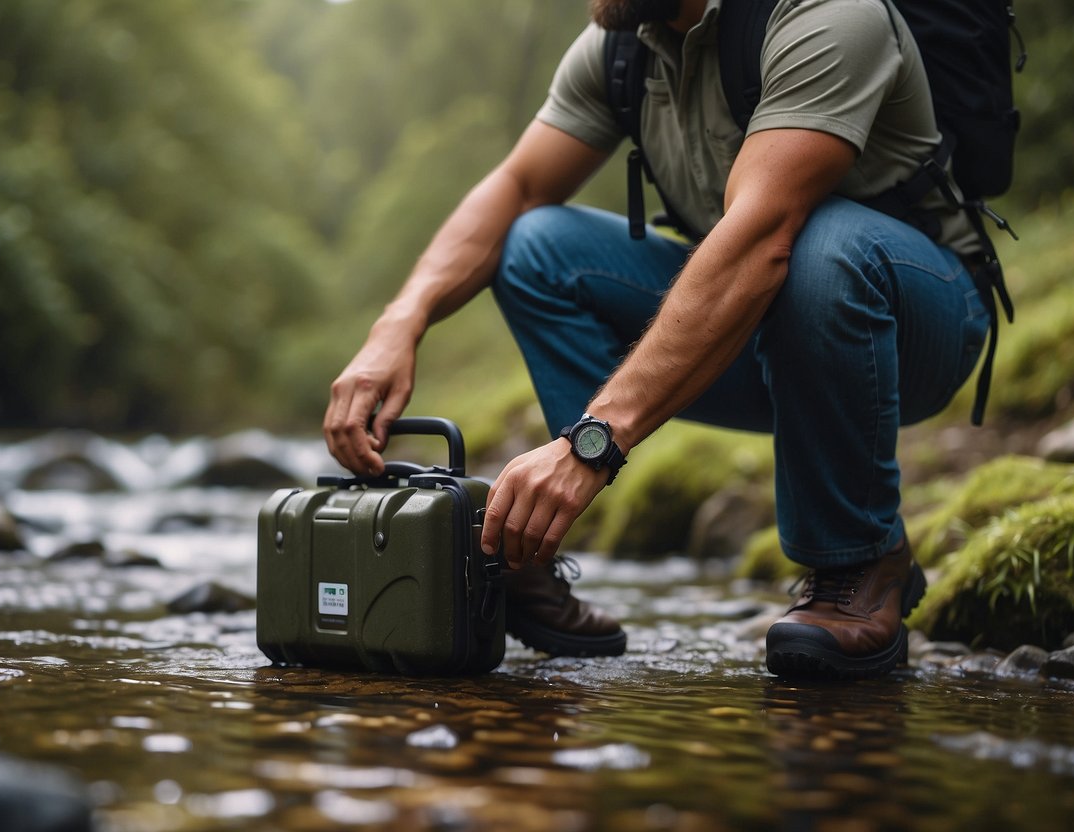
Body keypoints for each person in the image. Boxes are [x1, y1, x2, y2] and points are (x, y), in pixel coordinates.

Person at [323, 0, 991, 680]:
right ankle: (530, 545)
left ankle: (861, 560)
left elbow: (763, 235)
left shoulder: (825, 13)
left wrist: (594, 441)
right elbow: (518, 187)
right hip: (753, 328)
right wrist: (398, 324)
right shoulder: (619, 45)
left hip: (913, 327)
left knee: (820, 243)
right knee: (534, 247)